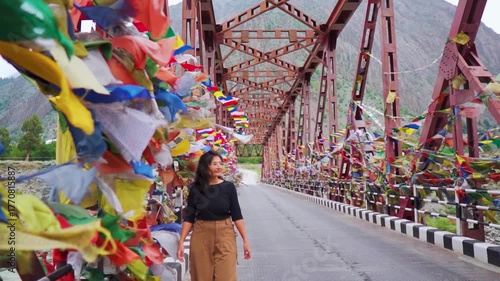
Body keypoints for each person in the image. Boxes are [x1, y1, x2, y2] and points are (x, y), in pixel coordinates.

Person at [177, 150, 251, 281]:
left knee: (226, 276)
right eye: (214, 164)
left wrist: (245, 240)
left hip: (225, 234)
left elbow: (237, 215)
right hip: (201, 234)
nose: (219, 167)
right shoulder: (195, 189)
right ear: (205, 167)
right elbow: (189, 217)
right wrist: (181, 242)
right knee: (201, 276)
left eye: (220, 163)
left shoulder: (228, 187)